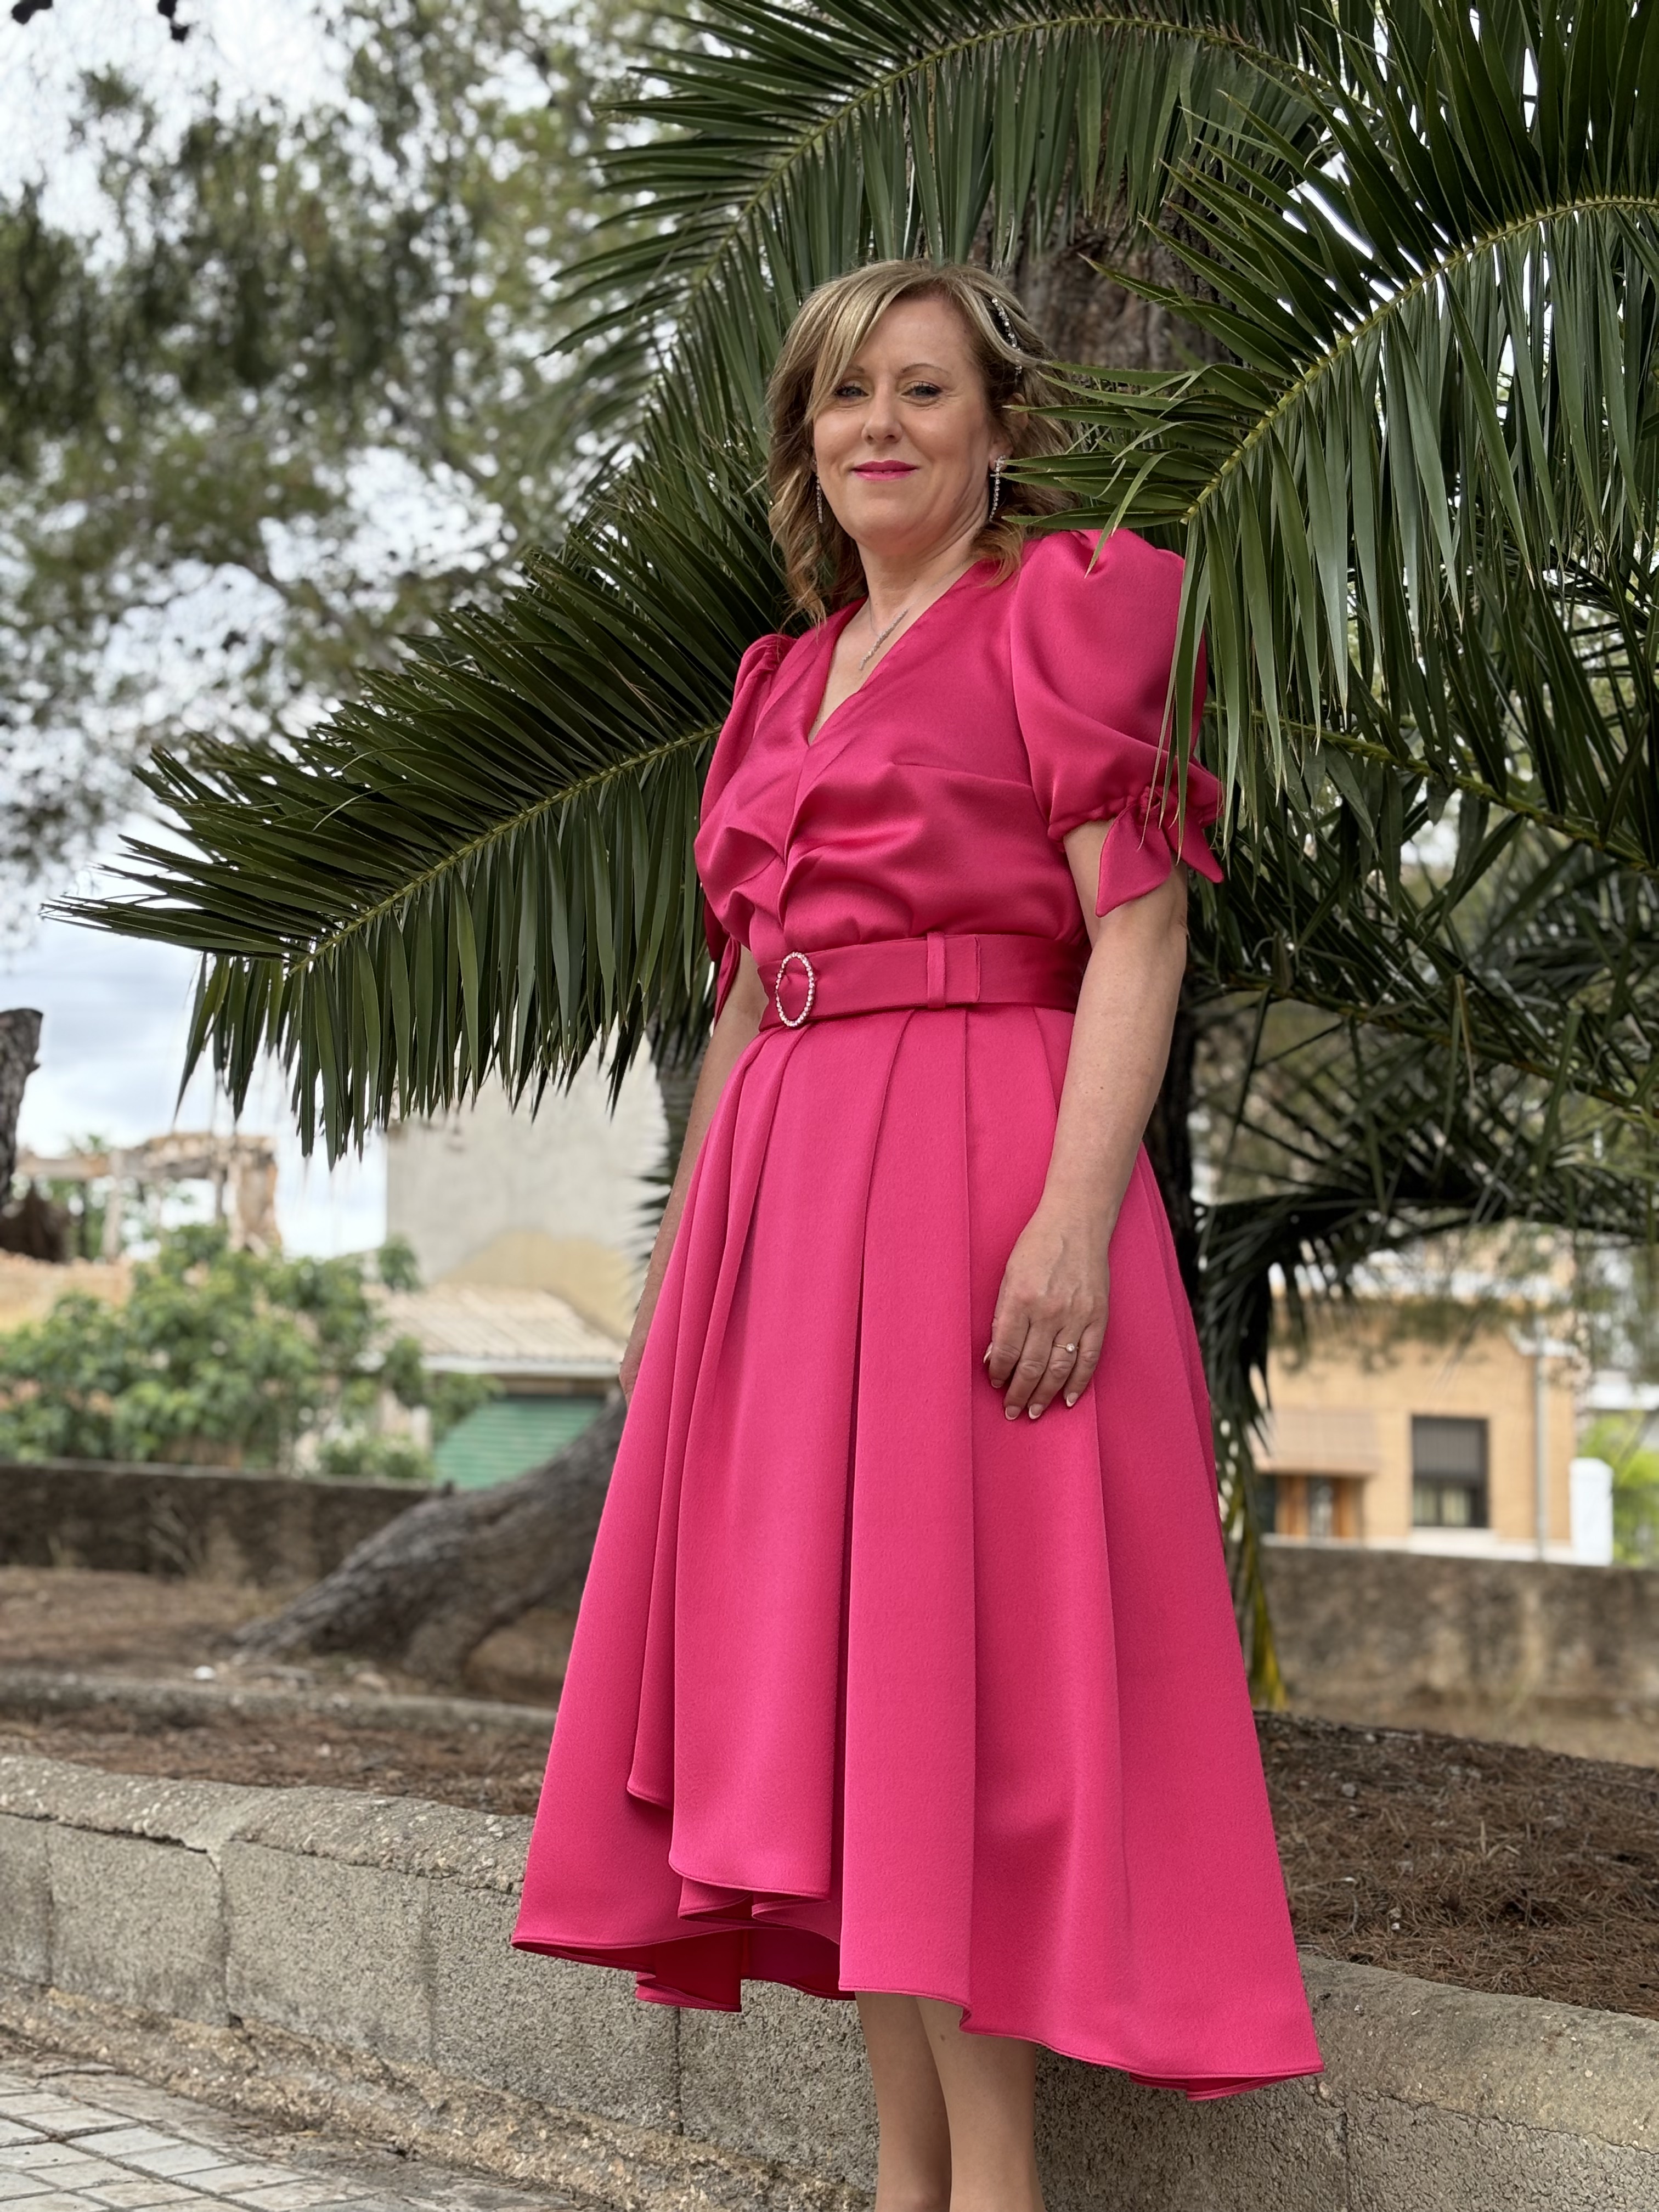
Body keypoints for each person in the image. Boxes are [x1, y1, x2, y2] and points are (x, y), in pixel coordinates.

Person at [513, 258, 1321, 2212]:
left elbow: (1140, 926)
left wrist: (1068, 1221)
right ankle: (907, 2181)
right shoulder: (778, 682)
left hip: (979, 1172)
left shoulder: (1063, 609)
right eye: (845, 392)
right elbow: (741, 998)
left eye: (925, 388)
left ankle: (998, 2186)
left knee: (963, 1689)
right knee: (847, 1700)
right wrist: (689, 1277)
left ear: (999, 425)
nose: (880, 423)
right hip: (789, 1200)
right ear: (805, 439)